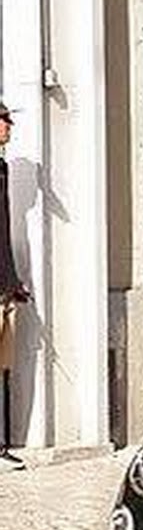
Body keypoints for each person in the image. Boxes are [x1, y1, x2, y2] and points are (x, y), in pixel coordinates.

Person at [0, 101, 27, 396]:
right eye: (4, 119)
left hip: (4, 284)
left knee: (3, 363)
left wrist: (12, 280)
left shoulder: (2, 167)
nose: (9, 126)